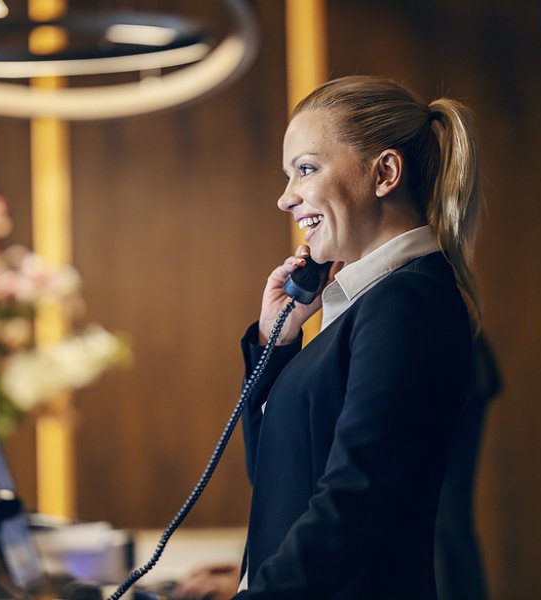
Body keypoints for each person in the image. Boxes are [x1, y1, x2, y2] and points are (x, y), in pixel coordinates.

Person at [177, 75, 481, 599]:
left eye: (306, 169)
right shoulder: (367, 304)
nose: (285, 199)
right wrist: (277, 344)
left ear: (384, 172)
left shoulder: (406, 304)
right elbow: (276, 472)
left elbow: (357, 503)